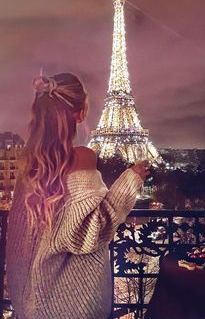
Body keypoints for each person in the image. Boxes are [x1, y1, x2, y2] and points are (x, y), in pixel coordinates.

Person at [6, 72, 150, 319]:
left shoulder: (29, 166)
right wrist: (132, 179)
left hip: (28, 304)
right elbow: (88, 231)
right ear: (81, 112)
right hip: (70, 307)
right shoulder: (82, 157)